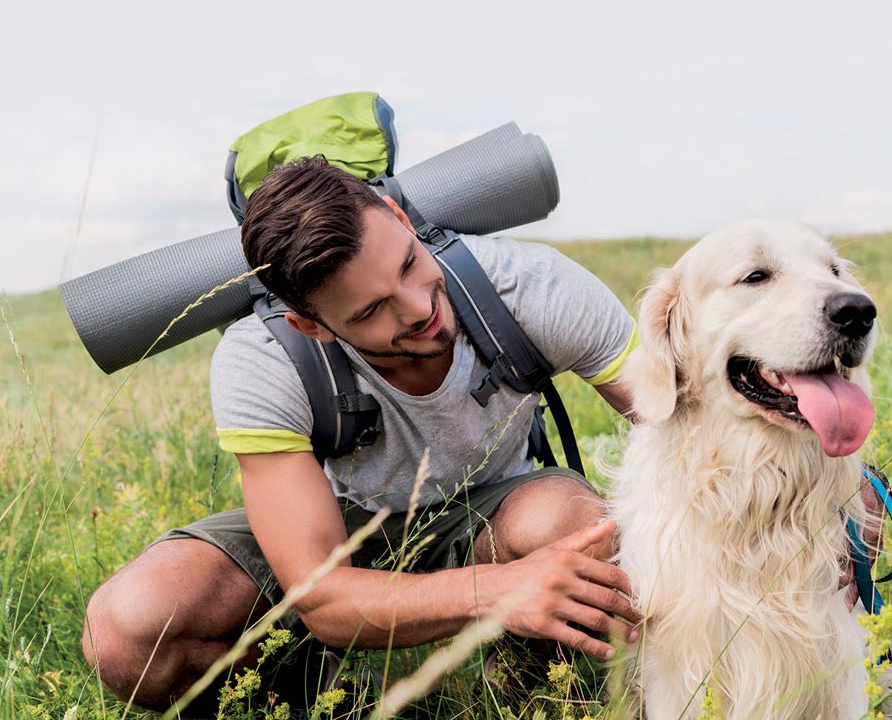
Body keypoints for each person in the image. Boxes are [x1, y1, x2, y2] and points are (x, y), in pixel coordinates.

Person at [81, 156, 643, 710]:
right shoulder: (263, 359)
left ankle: (525, 690)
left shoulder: (531, 287)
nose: (420, 307)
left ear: (401, 219)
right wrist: (497, 590)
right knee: (127, 631)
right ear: (310, 325)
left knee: (577, 527)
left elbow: (687, 426)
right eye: (372, 309)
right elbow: (322, 598)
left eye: (407, 264)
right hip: (343, 523)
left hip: (497, 513)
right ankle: (323, 703)